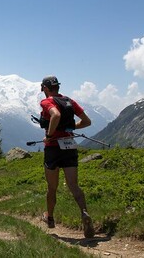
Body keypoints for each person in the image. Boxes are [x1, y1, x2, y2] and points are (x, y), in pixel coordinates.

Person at [38, 75, 94, 238]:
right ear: (58, 87)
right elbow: (87, 122)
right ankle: (84, 213)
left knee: (52, 188)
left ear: (45, 88)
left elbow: (55, 115)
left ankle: (49, 218)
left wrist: (49, 135)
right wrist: (70, 127)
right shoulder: (70, 101)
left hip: (53, 149)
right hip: (69, 146)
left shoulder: (47, 102)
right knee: (74, 185)